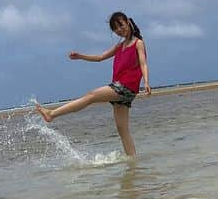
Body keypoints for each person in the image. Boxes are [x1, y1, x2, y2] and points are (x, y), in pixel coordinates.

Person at [35, 11, 151, 156]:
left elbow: (143, 63)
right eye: (115, 29)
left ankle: (52, 114)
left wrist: (146, 82)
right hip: (122, 89)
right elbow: (100, 57)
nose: (119, 30)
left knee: (91, 95)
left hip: (125, 87)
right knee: (122, 130)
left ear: (127, 22)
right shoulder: (119, 46)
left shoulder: (138, 43)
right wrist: (80, 56)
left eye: (120, 25)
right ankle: (133, 164)